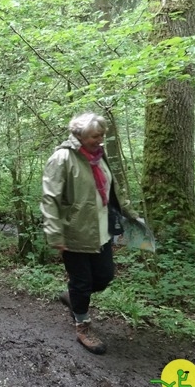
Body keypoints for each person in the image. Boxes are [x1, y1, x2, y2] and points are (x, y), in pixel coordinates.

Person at [40, 112, 136, 355]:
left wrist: (127, 213)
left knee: (104, 277)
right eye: (95, 135)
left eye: (102, 134)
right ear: (79, 135)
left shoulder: (99, 156)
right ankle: (82, 326)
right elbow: (50, 198)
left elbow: (111, 189)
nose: (100, 139)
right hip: (74, 231)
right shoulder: (62, 158)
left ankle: (73, 295)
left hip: (100, 229)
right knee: (82, 282)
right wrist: (54, 233)